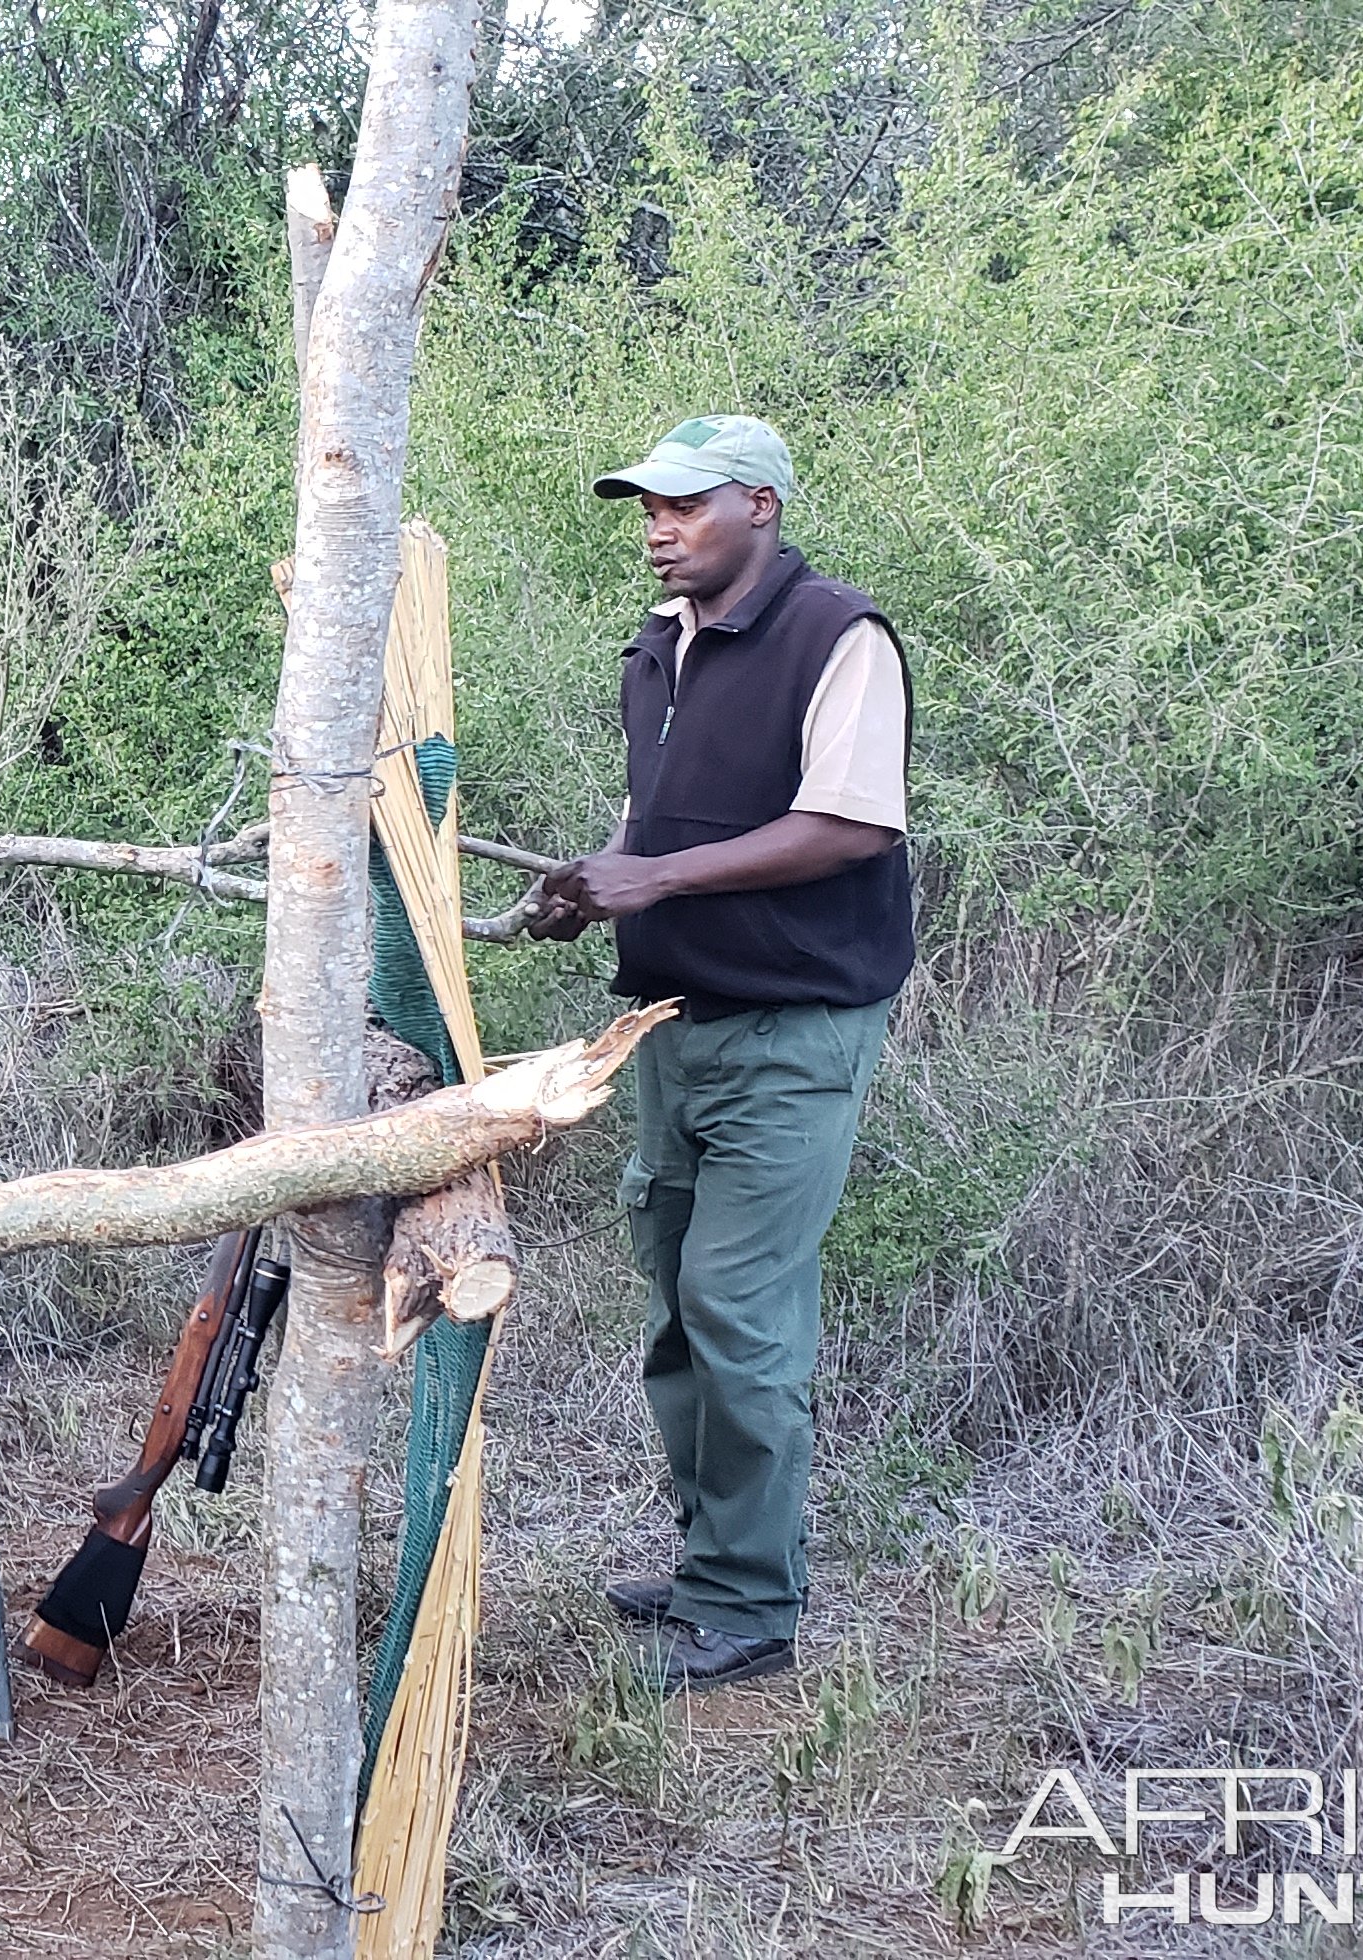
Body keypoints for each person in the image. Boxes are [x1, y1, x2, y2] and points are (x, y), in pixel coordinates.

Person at [527, 415, 912, 1692]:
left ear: (761, 503)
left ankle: (752, 1603)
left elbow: (848, 826)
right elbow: (657, 824)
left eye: (685, 506)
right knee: (679, 1304)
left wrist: (661, 874)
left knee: (741, 1308)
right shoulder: (657, 651)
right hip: (673, 1029)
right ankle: (712, 1570)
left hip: (794, 1029)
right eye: (646, 505)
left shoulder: (836, 636)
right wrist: (592, 885)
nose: (657, 526)